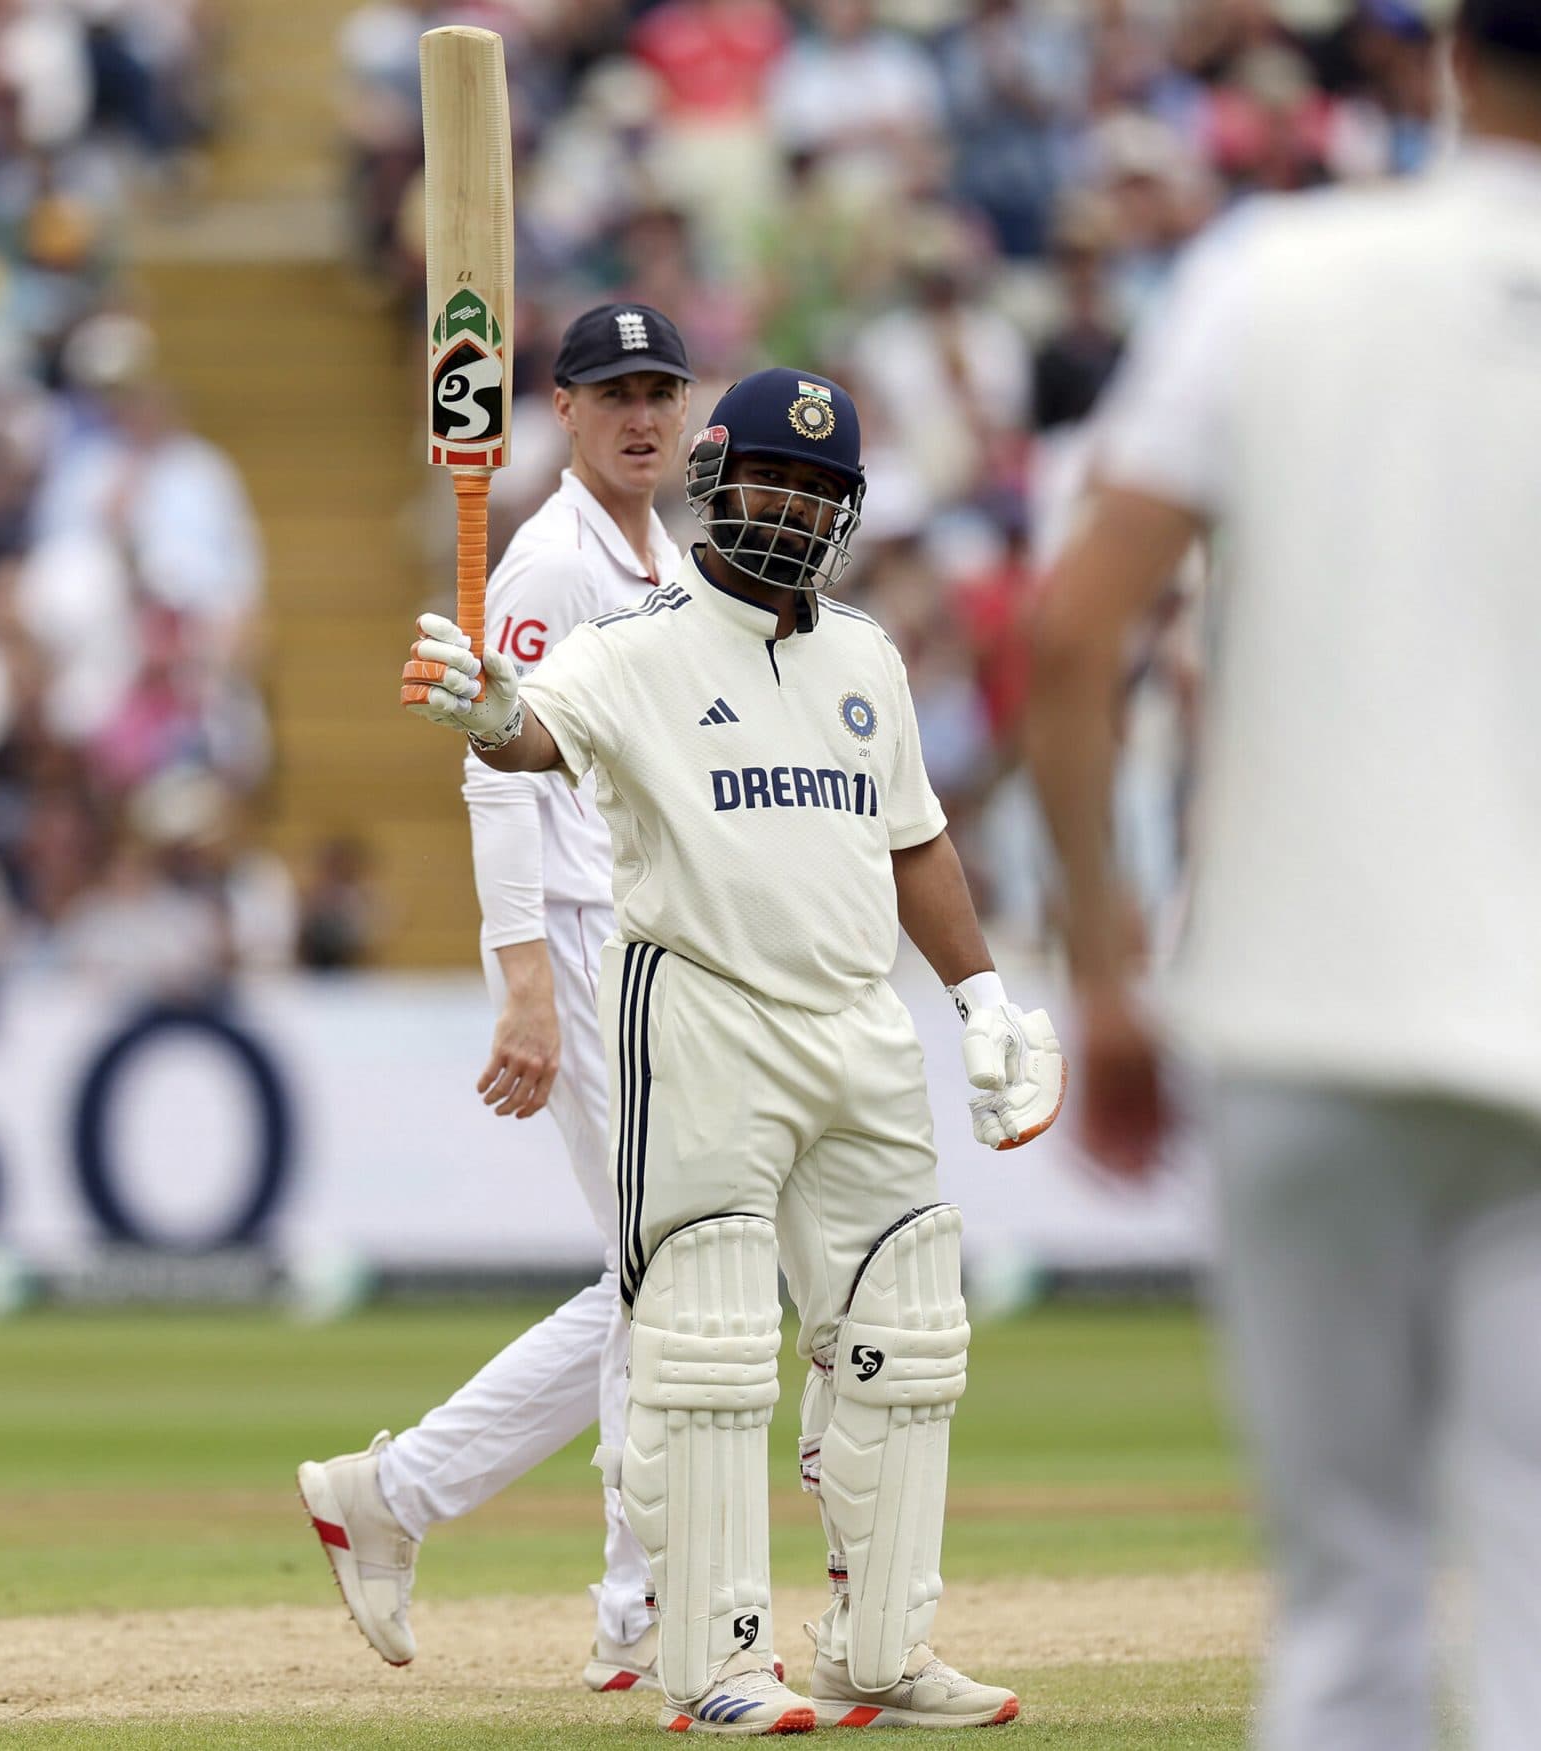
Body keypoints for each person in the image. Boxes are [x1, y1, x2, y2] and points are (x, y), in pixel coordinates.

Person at [1022, 5, 1541, 1750]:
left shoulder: (1275, 280)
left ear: (1449, 68)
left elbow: (1068, 635)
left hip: (1304, 1037)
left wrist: (1107, 980)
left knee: (1348, 1617)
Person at [397, 368, 1063, 1736]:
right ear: (715, 477)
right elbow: (535, 734)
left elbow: (916, 838)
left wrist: (983, 996)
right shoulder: (639, 643)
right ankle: (714, 1665)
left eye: (823, 492)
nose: (797, 509)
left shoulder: (865, 656)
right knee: (702, 1349)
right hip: (699, 1018)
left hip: (856, 1027)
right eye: (776, 479)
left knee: (909, 1332)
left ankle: (877, 1652)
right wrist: (483, 710)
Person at [296, 303, 697, 1694]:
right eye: (614, 394)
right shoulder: (545, 559)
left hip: (648, 938)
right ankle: (643, 1613)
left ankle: (398, 1496)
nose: (642, 414)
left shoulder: (662, 554)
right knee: (675, 1270)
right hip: (580, 942)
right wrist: (524, 981)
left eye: (661, 390)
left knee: (668, 1271)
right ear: (567, 412)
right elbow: (490, 763)